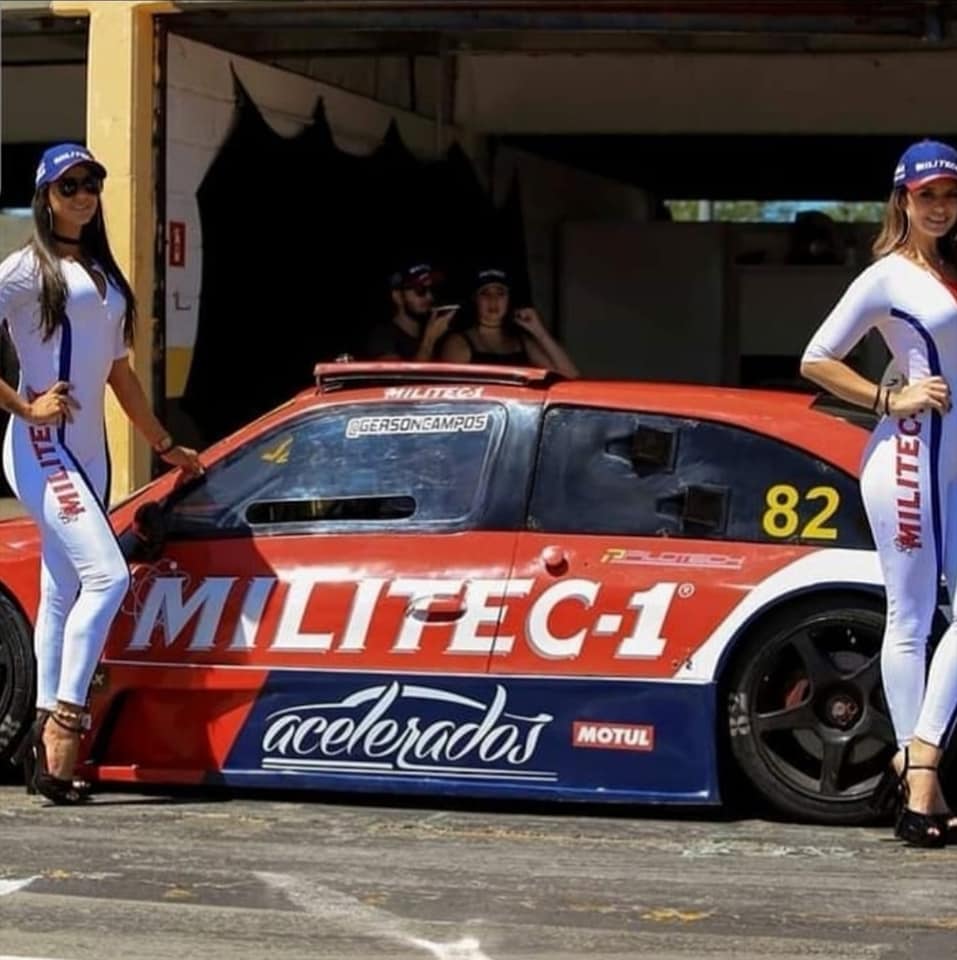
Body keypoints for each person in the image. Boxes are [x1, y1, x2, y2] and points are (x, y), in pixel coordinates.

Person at [1, 143, 203, 804]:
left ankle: (40, 740)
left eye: (92, 183)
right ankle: (65, 724)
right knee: (108, 577)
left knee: (63, 589)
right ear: (45, 196)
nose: (84, 196)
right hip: (42, 445)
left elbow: (118, 372)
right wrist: (25, 406)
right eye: (70, 186)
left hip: (90, 452)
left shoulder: (103, 271)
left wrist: (163, 442)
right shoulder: (24, 270)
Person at [800, 139, 957, 847]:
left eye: (949, 195)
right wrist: (889, 398)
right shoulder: (886, 275)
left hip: (951, 459)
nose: (939, 207)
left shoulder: (947, 270)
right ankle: (920, 779)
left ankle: (915, 761)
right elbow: (817, 358)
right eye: (927, 196)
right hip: (909, 456)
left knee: (925, 617)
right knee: (911, 616)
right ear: (902, 200)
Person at [438, 267, 579, 377]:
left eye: (500, 293)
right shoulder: (458, 342)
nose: (493, 300)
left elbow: (570, 375)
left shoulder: (522, 341)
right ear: (475, 299)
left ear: (509, 299)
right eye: (485, 293)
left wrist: (539, 331)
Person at [362, 261, 459, 361]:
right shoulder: (383, 337)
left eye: (432, 289)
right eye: (419, 289)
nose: (429, 296)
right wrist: (429, 340)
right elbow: (397, 371)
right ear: (397, 297)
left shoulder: (436, 337)